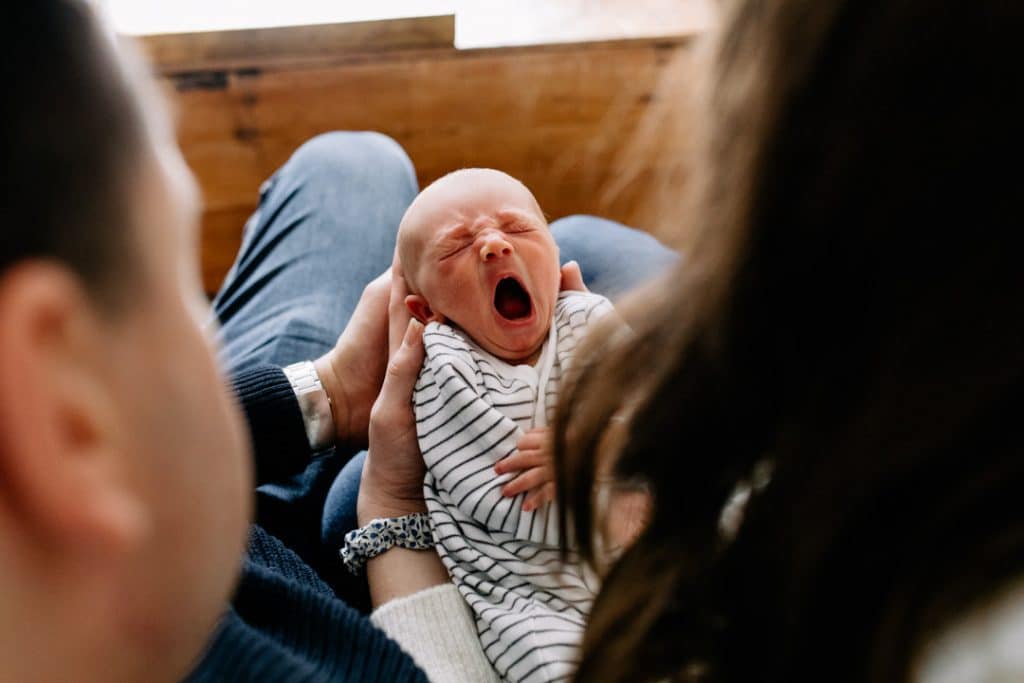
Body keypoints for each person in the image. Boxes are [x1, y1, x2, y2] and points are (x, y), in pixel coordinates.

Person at [350, 167, 619, 681]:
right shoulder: (444, 366)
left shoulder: (586, 317)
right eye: (455, 248)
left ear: (556, 259)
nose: (494, 245)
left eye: (519, 229)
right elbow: (498, 492)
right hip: (539, 598)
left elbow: (656, 406)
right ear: (424, 310)